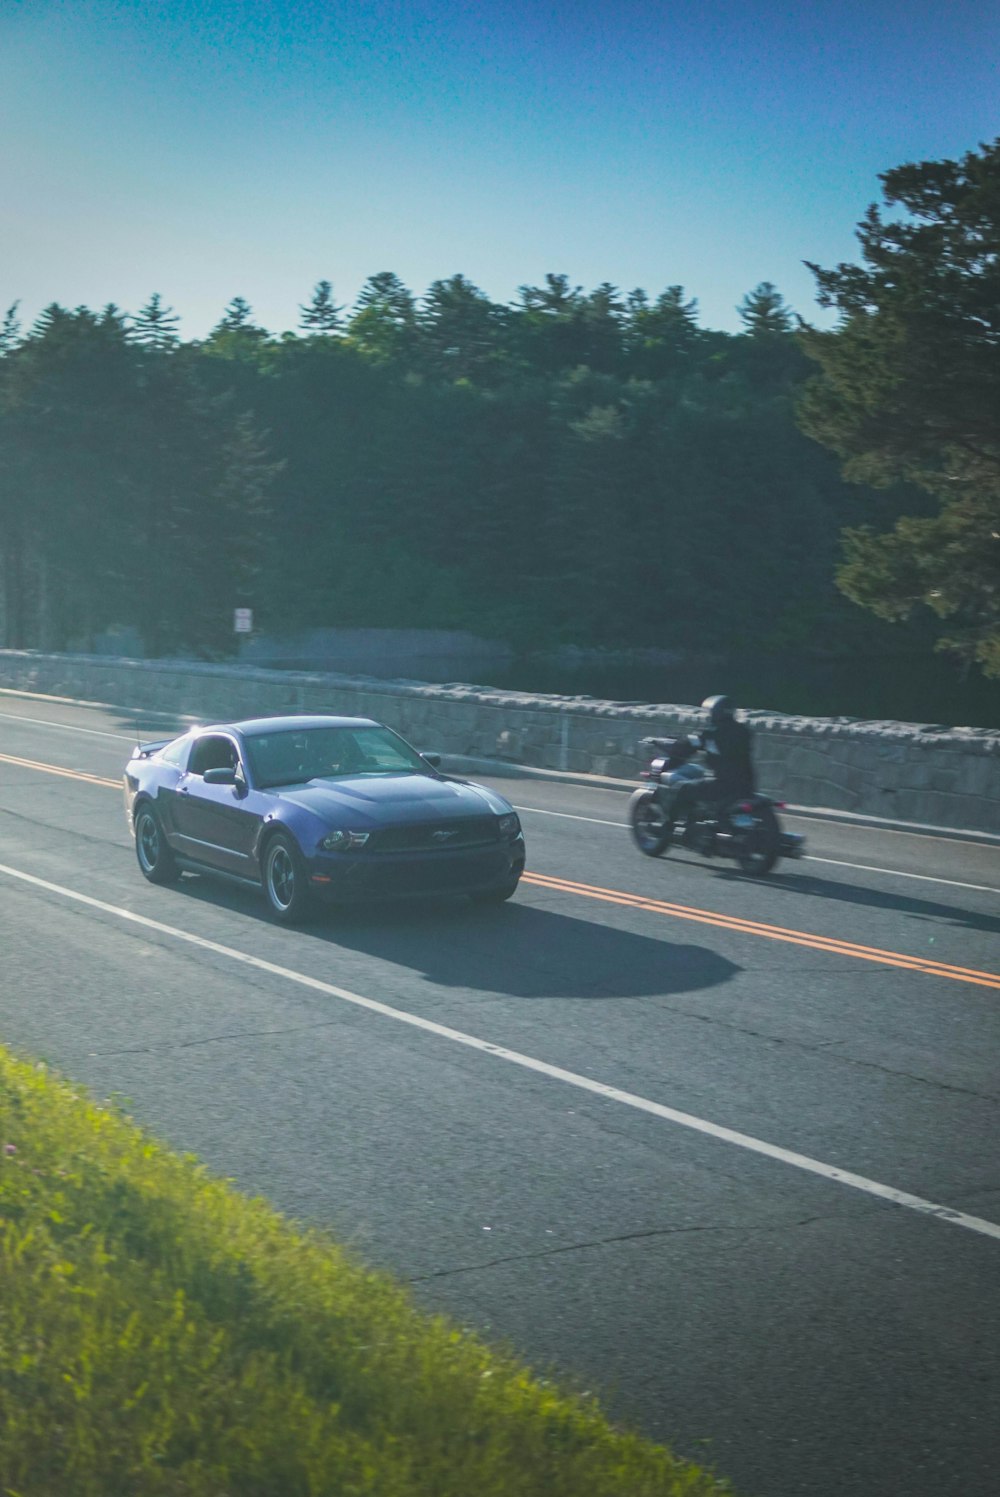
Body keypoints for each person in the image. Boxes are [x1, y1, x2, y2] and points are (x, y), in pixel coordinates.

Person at [673, 695, 755, 841]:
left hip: (723, 784)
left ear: (716, 712)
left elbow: (688, 747)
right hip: (747, 785)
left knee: (682, 788)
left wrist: (676, 749)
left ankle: (679, 827)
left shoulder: (711, 732)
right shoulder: (743, 731)